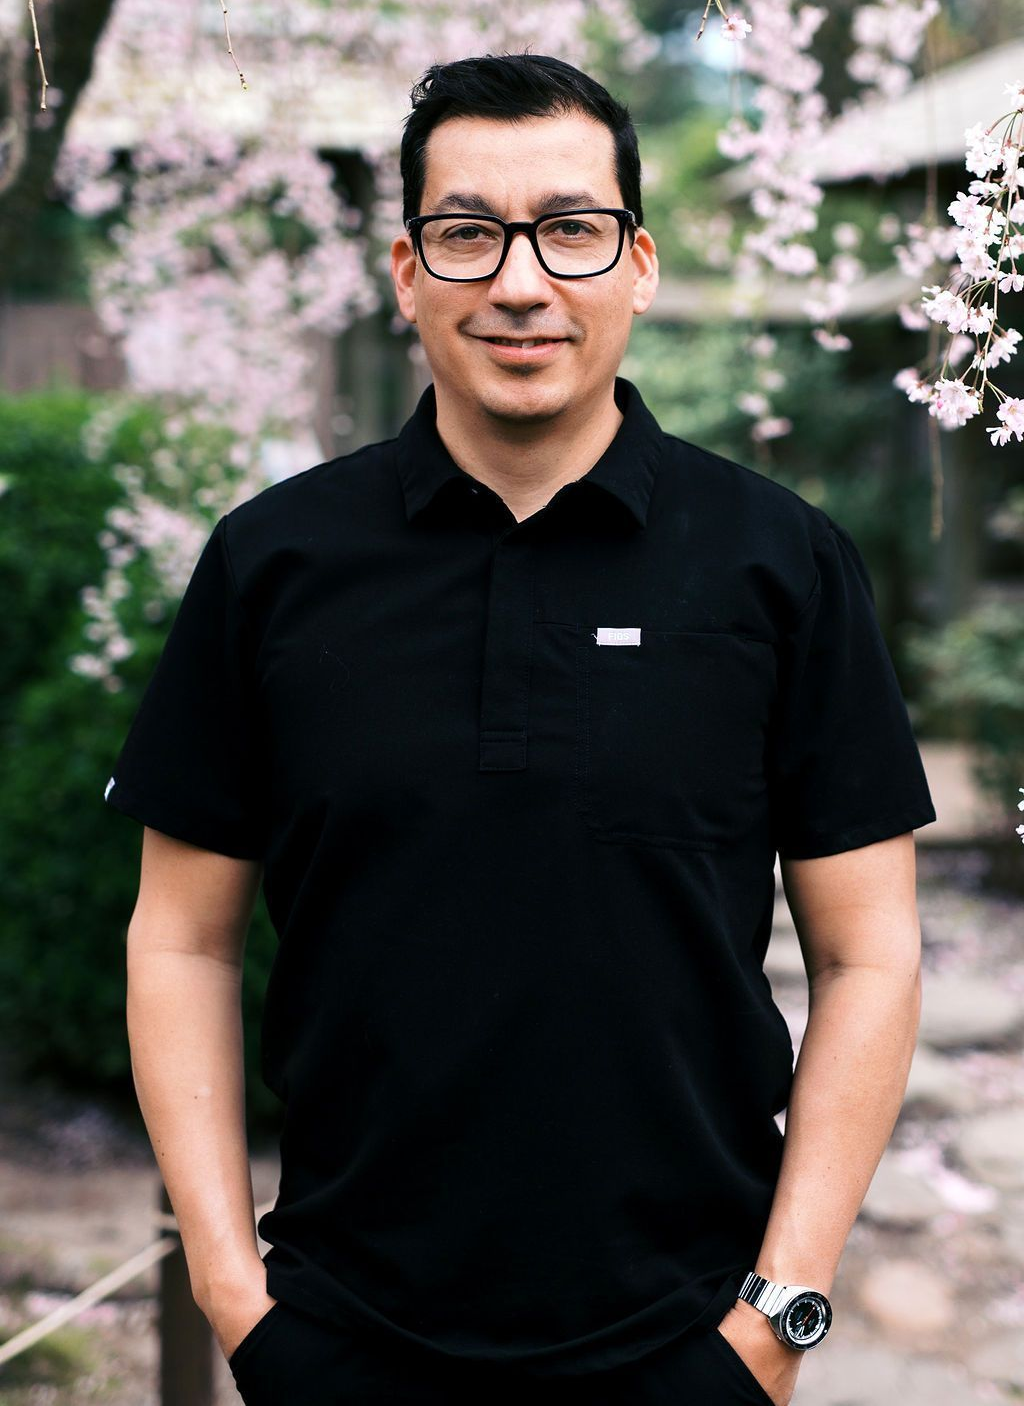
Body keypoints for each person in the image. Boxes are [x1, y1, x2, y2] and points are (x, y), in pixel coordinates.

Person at [105, 51, 937, 1406]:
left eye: (570, 228)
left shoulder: (778, 566)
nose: (521, 280)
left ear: (640, 262)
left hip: (686, 1346)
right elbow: (179, 936)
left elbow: (872, 950)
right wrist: (232, 1295)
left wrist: (778, 1314)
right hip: (340, 1340)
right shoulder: (274, 565)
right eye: (468, 232)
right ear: (407, 271)